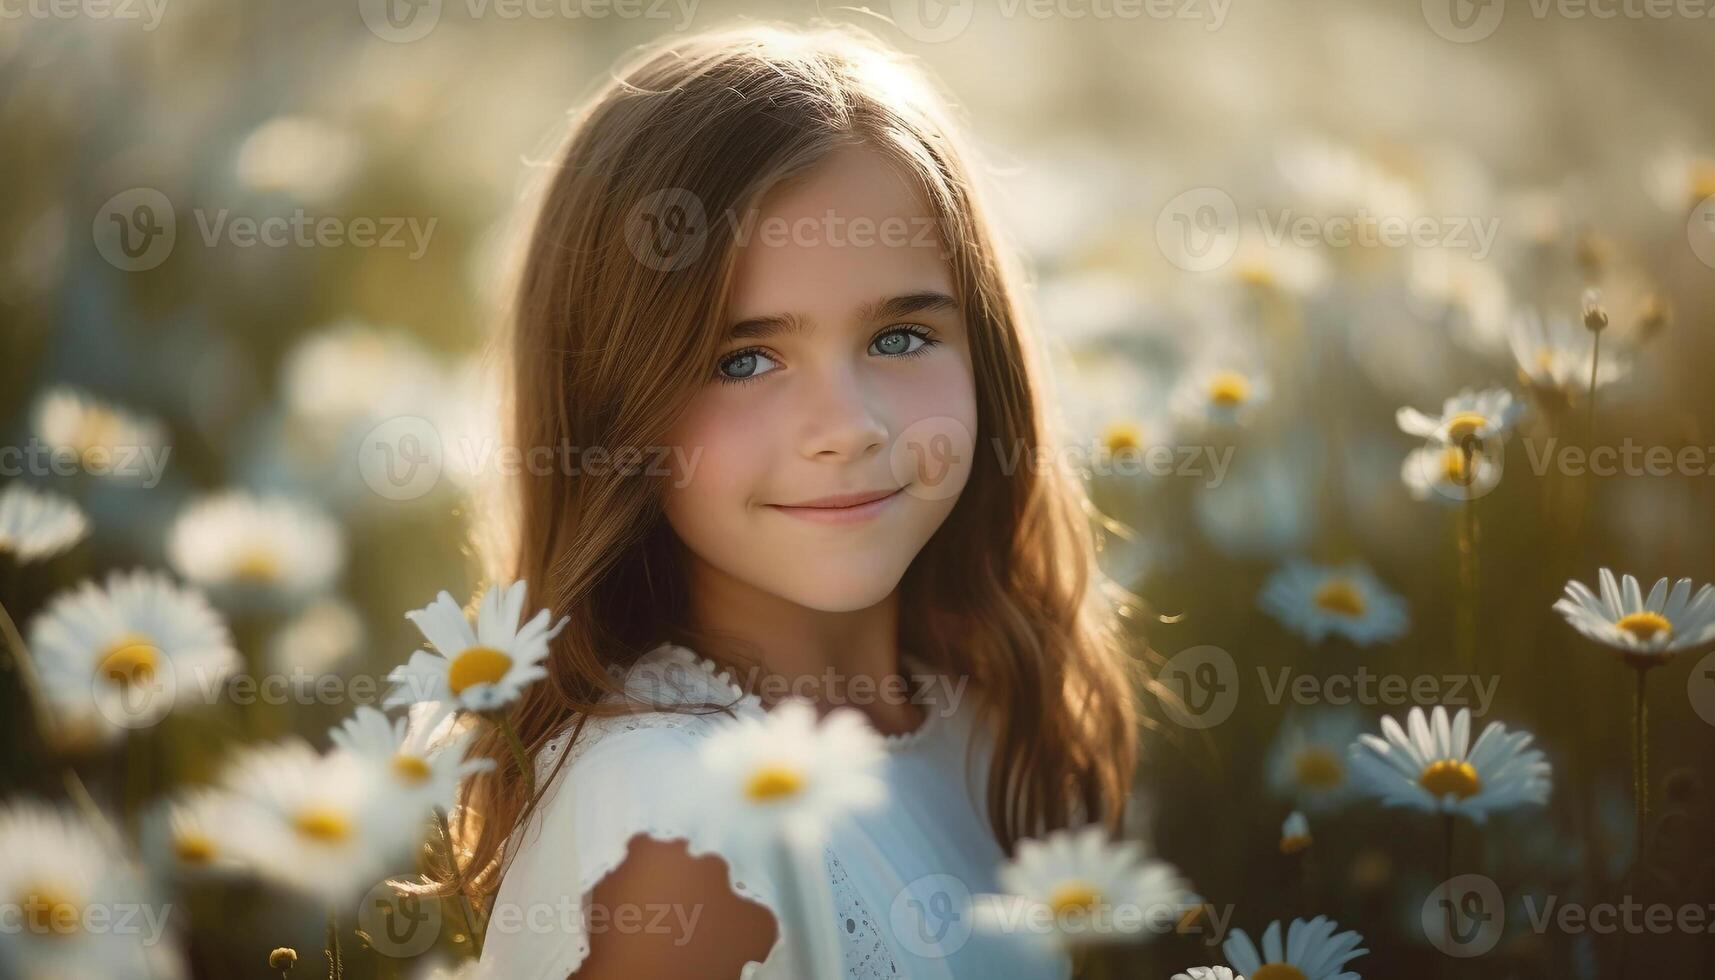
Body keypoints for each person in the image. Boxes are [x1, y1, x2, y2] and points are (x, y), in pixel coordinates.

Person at [455, 22, 1141, 979]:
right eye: (743, 359)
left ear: (983, 349)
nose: (847, 425)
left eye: (900, 337)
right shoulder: (672, 829)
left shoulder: (986, 726)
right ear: (612, 408)